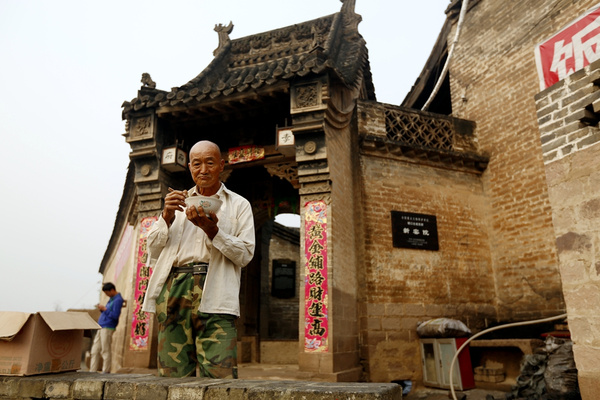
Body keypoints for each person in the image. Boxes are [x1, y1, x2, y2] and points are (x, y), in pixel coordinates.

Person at [142, 140, 255, 379]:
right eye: (197, 164)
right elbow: (152, 249)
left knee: (219, 380)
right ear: (190, 168)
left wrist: (213, 231)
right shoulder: (177, 201)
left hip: (216, 289)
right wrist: (166, 216)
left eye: (210, 162)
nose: (203, 169)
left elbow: (245, 254)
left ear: (221, 165)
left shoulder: (238, 205)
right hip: (174, 288)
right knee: (173, 377)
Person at [90, 282, 123, 373]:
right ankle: (92, 371)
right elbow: (108, 312)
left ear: (112, 290)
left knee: (105, 350)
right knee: (94, 351)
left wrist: (105, 309)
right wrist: (103, 310)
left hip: (108, 327)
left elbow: (115, 315)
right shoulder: (111, 299)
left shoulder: (118, 300)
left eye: (107, 293)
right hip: (102, 326)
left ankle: (106, 371)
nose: (107, 295)